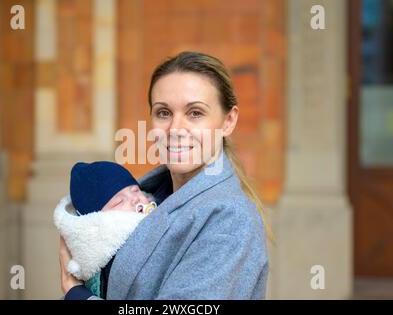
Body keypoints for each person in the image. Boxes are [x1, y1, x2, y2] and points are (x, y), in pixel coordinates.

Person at [59, 51, 270, 300]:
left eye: (195, 113)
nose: (175, 129)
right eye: (164, 113)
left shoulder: (231, 220)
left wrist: (77, 295)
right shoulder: (150, 196)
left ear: (228, 121)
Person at [54, 161, 156, 297]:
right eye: (119, 201)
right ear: (98, 219)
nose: (134, 199)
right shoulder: (106, 259)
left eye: (135, 190)